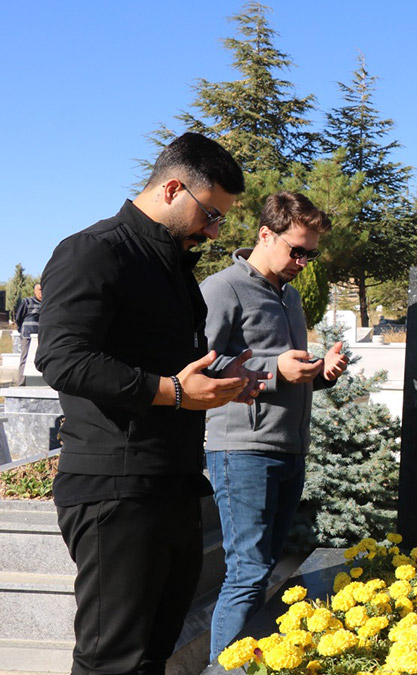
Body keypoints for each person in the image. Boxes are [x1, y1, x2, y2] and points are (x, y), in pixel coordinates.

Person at [36, 132, 268, 674]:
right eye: (210, 215)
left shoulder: (169, 263)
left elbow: (167, 364)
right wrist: (175, 392)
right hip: (115, 490)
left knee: (151, 656)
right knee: (113, 661)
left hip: (172, 482)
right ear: (171, 189)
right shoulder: (94, 251)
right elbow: (63, 359)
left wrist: (220, 377)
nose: (213, 231)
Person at [200, 191, 349, 660]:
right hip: (241, 449)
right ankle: (222, 671)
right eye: (296, 250)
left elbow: (287, 375)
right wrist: (272, 370)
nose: (303, 261)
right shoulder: (223, 288)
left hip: (288, 448)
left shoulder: (291, 296)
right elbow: (200, 366)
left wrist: (319, 374)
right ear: (266, 234)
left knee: (260, 572)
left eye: (311, 253)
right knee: (246, 572)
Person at [13, 282, 41, 386]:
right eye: (39, 290)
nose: (41, 293)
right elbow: (19, 317)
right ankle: (21, 382)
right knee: (24, 358)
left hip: (40, 336)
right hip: (27, 335)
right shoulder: (27, 302)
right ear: (34, 291)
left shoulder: (46, 303)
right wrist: (21, 329)